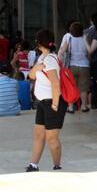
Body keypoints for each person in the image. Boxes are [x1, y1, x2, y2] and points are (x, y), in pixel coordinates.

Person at [26, 29, 67, 172]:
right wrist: (36, 68)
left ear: (38, 43)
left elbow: (55, 84)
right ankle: (33, 164)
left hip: (52, 102)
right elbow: (31, 76)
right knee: (39, 135)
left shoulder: (50, 59)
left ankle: (57, 165)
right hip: (43, 102)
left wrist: (55, 104)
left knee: (51, 138)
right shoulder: (42, 58)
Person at [58, 22, 90, 113]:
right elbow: (89, 52)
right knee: (83, 88)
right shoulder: (85, 38)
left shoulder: (68, 37)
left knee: (71, 87)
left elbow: (61, 51)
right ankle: (84, 106)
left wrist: (60, 62)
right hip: (84, 66)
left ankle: (71, 107)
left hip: (72, 66)